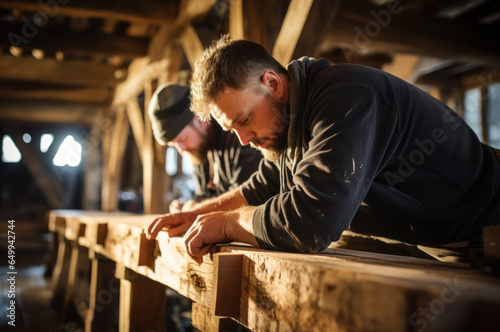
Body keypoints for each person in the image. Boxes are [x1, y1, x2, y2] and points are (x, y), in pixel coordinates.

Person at [147, 35, 500, 264]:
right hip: (446, 242)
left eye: (244, 119)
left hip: (488, 225)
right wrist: (196, 215)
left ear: (272, 83)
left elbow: (310, 223)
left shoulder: (346, 98)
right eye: (231, 128)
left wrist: (225, 225)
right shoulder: (288, 126)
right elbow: (261, 187)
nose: (242, 138)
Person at [148, 83, 262, 212]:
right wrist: (188, 205)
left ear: (201, 119)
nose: (182, 149)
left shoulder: (240, 138)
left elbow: (246, 199)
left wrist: (195, 210)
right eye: (174, 145)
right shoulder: (199, 150)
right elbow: (205, 196)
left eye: (182, 139)